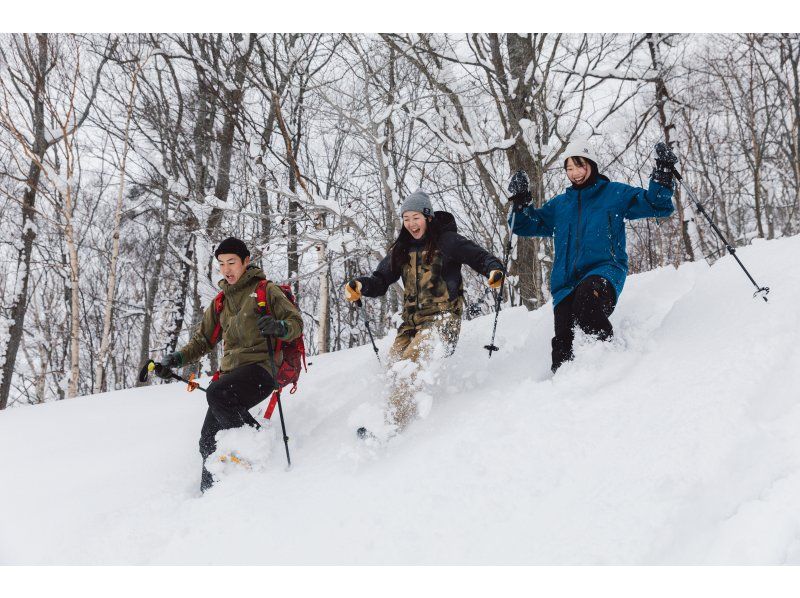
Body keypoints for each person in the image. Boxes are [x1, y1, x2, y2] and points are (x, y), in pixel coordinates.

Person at [508, 140, 677, 373]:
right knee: (563, 342)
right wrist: (520, 200)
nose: (574, 173)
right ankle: (563, 387)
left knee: (587, 301)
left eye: (579, 166)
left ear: (592, 165)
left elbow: (658, 205)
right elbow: (525, 225)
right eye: (569, 168)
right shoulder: (560, 205)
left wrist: (663, 173)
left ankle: (610, 362)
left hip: (604, 269)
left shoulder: (613, 194)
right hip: (565, 284)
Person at [344, 189, 505, 435]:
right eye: (406, 219)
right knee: (394, 366)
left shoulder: (448, 241)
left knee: (409, 364)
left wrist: (494, 271)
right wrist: (360, 285)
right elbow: (380, 280)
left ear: (428, 217)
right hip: (411, 324)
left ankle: (389, 427)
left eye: (416, 217)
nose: (411, 224)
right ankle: (395, 416)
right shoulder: (402, 248)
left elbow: (481, 258)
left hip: (443, 320)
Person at [157, 237, 303, 492]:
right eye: (222, 263)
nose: (226, 269)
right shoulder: (220, 302)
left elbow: (296, 323)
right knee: (206, 441)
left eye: (232, 262)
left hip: (262, 369)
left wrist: (279, 327)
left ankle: (258, 447)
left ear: (246, 261)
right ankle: (210, 497)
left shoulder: (265, 291)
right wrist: (177, 359)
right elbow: (203, 340)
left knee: (218, 392)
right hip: (231, 375)